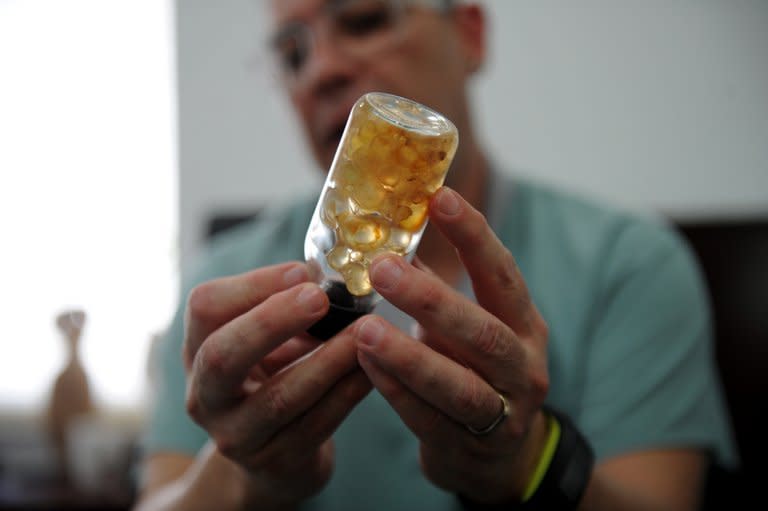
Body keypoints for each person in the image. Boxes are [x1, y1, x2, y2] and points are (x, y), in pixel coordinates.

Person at [135, 1, 735, 510]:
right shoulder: (221, 287)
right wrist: (245, 476)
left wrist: (528, 465)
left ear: (470, 33)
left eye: (365, 19)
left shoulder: (627, 264)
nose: (320, 69)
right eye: (292, 53)